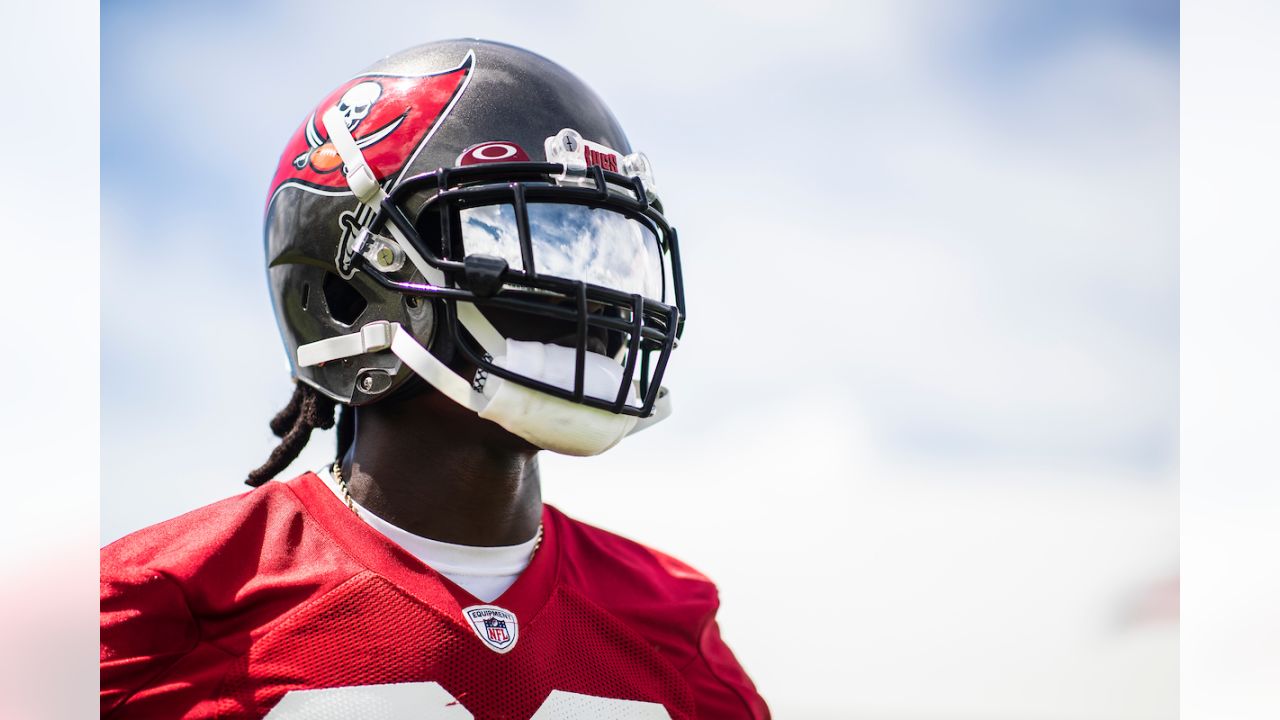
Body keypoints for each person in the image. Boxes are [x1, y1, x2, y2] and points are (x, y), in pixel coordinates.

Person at [100, 39, 769, 719]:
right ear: (345, 294)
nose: (585, 307)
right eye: (523, 243)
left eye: (606, 256)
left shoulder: (673, 621)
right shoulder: (148, 609)